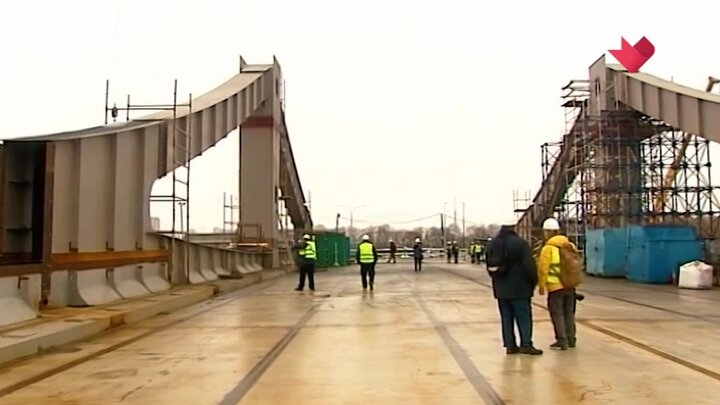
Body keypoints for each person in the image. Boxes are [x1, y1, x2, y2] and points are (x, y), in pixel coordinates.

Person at [486, 225, 543, 355]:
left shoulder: (492, 244)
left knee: (506, 318)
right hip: (520, 288)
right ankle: (526, 344)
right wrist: (533, 281)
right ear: (514, 228)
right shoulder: (521, 244)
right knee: (523, 317)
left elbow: (489, 265)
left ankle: (510, 345)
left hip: (501, 289)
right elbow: (529, 265)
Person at [537, 217, 580, 350]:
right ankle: (571, 339)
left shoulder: (548, 248)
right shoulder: (570, 245)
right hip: (570, 286)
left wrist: (541, 286)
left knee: (557, 314)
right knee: (569, 313)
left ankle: (562, 340)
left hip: (555, 287)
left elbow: (543, 269)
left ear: (547, 232)